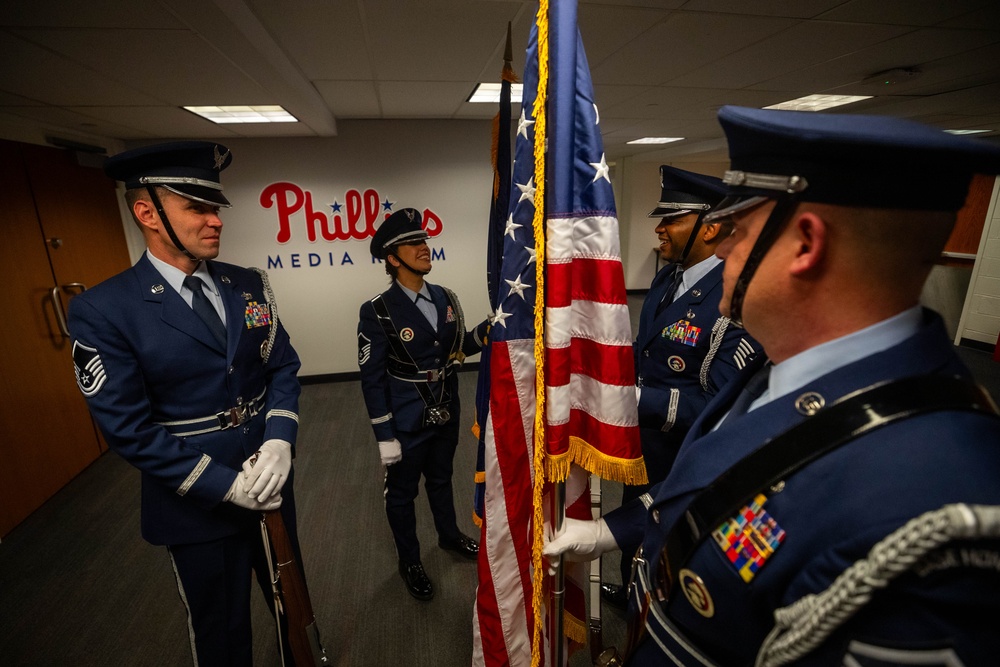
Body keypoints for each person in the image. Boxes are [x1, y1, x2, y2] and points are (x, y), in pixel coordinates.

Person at [544, 106, 1000, 665]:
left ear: (806, 244)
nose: (723, 247)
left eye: (737, 228)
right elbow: (712, 483)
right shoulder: (786, 364)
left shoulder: (939, 503)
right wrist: (612, 532)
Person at [68, 141, 305, 666]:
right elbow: (128, 430)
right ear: (147, 212)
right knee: (221, 632)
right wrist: (225, 485)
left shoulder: (246, 284)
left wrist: (278, 441)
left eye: (215, 207)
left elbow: (281, 365)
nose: (215, 220)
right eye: (196, 207)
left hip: (269, 482)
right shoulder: (105, 310)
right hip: (195, 500)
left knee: (293, 608)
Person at [602, 166, 759, 608]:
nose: (659, 229)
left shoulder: (734, 296)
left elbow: (723, 409)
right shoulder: (669, 278)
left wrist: (636, 399)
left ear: (710, 227)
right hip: (646, 448)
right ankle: (633, 600)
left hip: (686, 459)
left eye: (672, 219)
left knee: (671, 560)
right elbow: (647, 350)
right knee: (637, 542)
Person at [358, 208, 488, 601]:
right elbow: (372, 378)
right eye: (413, 244)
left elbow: (457, 349)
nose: (424, 248)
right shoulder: (377, 310)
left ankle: (448, 536)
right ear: (393, 258)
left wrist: (490, 328)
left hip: (446, 407)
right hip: (405, 418)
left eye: (425, 240)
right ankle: (410, 560)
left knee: (442, 478)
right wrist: (384, 436)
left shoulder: (446, 297)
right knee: (401, 494)